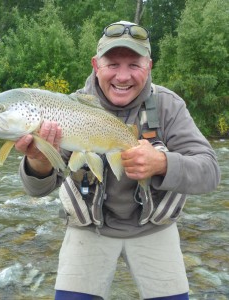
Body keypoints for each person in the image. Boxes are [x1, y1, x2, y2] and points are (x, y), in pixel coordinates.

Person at [15, 20, 221, 300]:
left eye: (134, 65)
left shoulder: (169, 106)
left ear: (148, 66)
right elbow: (36, 190)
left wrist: (163, 164)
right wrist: (40, 161)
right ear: (95, 65)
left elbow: (210, 172)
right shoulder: (67, 108)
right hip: (89, 229)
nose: (122, 77)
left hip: (154, 228)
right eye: (112, 64)